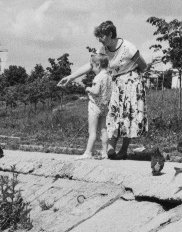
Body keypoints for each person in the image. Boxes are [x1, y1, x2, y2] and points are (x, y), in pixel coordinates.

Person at [58, 20, 147, 159]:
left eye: (101, 36)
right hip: (115, 84)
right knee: (113, 115)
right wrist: (71, 77)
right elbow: (90, 65)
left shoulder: (128, 47)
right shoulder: (103, 50)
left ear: (110, 34)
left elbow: (143, 65)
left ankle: (123, 150)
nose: (99, 40)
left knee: (127, 117)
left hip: (130, 83)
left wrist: (135, 80)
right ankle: (111, 148)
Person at [79, 54, 112, 159]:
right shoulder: (109, 77)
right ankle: (104, 153)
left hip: (95, 107)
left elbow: (96, 91)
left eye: (92, 66)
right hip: (105, 107)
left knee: (92, 131)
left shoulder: (98, 77)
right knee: (104, 130)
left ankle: (88, 152)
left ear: (98, 65)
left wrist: (89, 88)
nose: (92, 69)